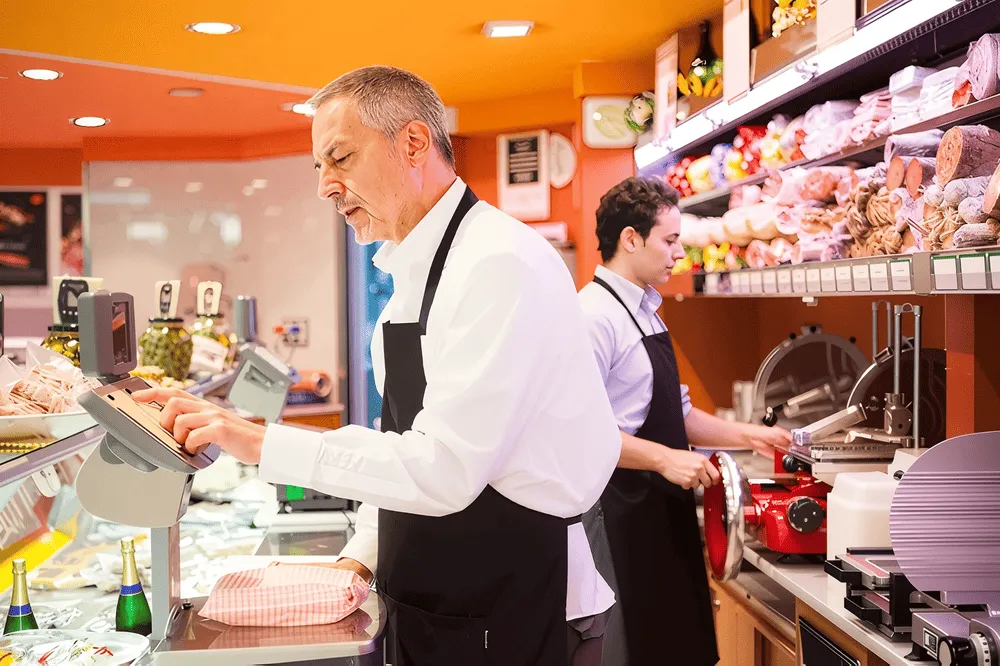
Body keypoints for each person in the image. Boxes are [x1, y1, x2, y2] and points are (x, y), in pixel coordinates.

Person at [133, 65, 620, 666]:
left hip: (517, 607)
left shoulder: (499, 263)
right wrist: (361, 552)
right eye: (319, 166)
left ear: (413, 143)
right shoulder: (406, 284)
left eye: (339, 158)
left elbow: (446, 468)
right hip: (436, 605)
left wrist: (259, 442)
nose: (325, 187)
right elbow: (402, 444)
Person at [577, 176, 793, 666]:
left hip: (661, 507)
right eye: (670, 240)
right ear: (630, 239)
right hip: (616, 511)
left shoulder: (648, 310)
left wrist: (748, 436)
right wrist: (664, 460)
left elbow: (676, 413)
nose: (680, 252)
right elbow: (579, 432)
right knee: (632, 648)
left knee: (675, 644)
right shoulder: (592, 317)